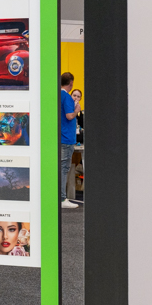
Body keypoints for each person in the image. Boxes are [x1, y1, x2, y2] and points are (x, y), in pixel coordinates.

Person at [60, 72, 80, 209]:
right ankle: (62, 199)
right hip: (66, 138)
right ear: (71, 83)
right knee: (64, 169)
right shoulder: (66, 97)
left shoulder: (58, 95)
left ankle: (60, 197)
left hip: (60, 137)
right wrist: (77, 110)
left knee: (61, 168)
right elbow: (69, 116)